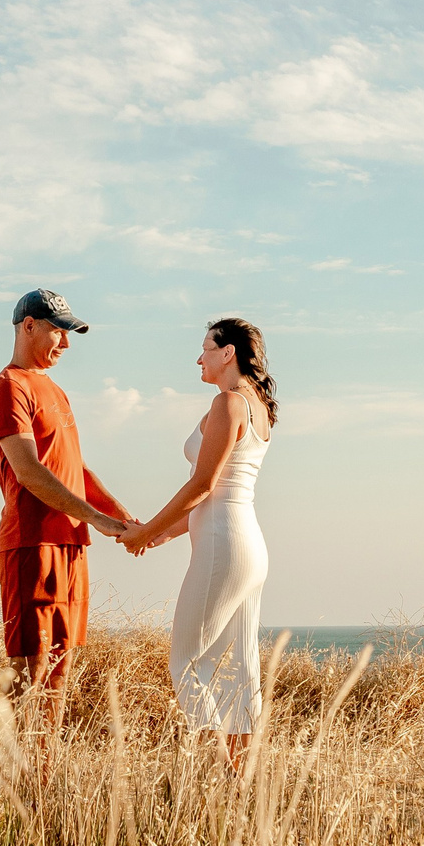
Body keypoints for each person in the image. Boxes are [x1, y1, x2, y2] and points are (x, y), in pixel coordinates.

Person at [124, 317, 275, 767]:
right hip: (247, 544)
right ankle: (242, 786)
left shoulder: (228, 403)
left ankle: (218, 780)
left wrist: (148, 529)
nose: (199, 358)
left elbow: (204, 486)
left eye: (206, 349)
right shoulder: (257, 407)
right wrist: (159, 536)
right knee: (241, 671)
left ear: (228, 352)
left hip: (222, 544)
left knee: (186, 665)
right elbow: (220, 492)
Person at [0, 288, 139, 696]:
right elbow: (30, 472)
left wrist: (124, 520)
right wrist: (99, 520)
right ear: (29, 326)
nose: (67, 343)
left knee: (59, 672)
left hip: (71, 544)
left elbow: (76, 469)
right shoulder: (8, 387)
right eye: (59, 332)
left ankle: (46, 763)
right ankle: (17, 761)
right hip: (32, 544)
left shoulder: (54, 390)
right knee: (29, 674)